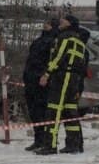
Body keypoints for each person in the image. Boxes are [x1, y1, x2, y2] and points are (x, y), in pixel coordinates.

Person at [37, 14, 89, 155]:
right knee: (70, 111)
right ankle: (74, 144)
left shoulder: (65, 38)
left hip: (63, 77)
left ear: (69, 24)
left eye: (64, 20)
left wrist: (47, 73)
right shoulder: (80, 42)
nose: (61, 21)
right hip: (74, 79)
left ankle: (50, 145)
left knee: (54, 110)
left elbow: (58, 56)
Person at [22, 18, 58, 152]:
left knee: (43, 112)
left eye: (48, 23)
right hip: (31, 80)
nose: (45, 25)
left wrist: (46, 75)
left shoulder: (54, 41)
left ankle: (45, 141)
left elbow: (53, 61)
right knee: (34, 113)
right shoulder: (39, 41)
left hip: (42, 81)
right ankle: (38, 140)